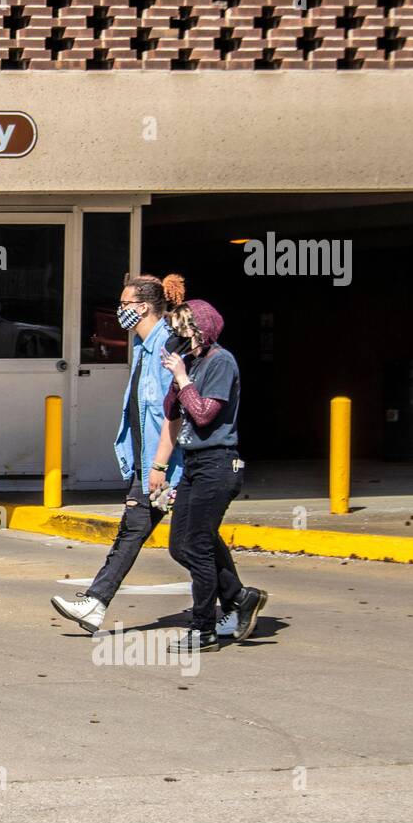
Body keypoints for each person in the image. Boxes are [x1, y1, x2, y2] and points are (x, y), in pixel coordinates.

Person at [53, 274, 187, 634]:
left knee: (193, 539)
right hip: (148, 465)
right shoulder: (144, 347)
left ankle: (237, 597)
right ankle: (96, 603)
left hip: (167, 466)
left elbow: (173, 414)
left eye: (125, 305)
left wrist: (159, 465)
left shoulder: (167, 348)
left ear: (143, 307)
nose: (120, 311)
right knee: (140, 531)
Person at [153, 299, 267, 654]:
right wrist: (177, 376)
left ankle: (203, 629)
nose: (180, 335)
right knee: (180, 546)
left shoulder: (221, 361)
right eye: (177, 329)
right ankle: (239, 597)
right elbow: (172, 411)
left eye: (186, 328)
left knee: (197, 547)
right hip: (194, 464)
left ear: (202, 329)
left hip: (218, 464)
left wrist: (183, 378)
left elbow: (203, 415)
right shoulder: (192, 362)